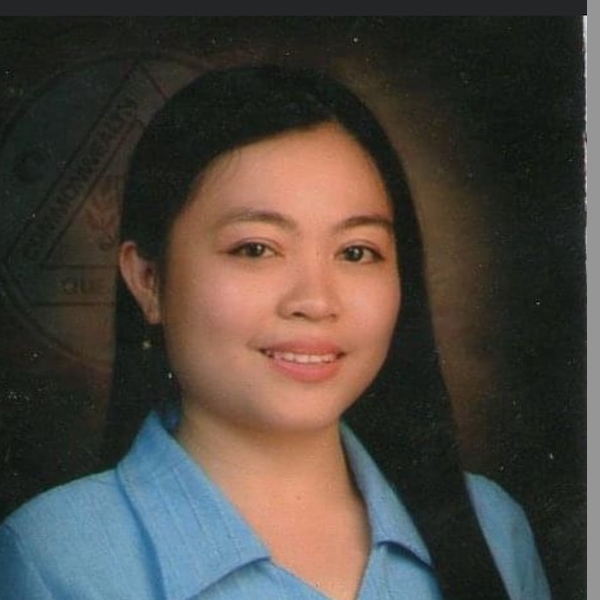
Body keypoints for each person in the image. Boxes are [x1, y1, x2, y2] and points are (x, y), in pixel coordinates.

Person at [0, 64, 551, 600]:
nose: (315, 301)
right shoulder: (55, 558)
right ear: (148, 281)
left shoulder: (492, 527)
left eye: (356, 252)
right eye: (256, 249)